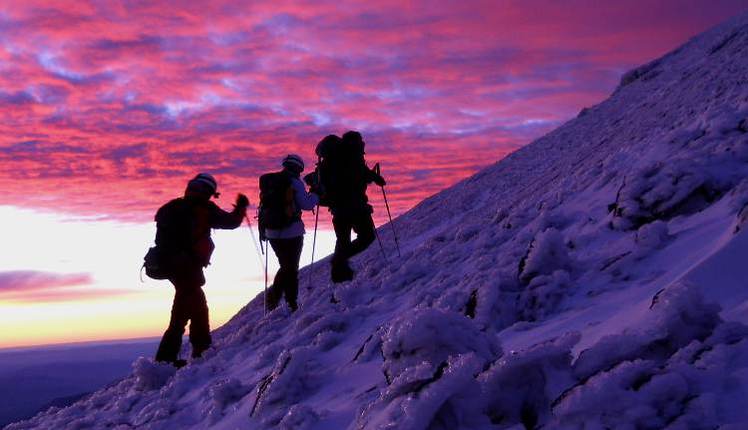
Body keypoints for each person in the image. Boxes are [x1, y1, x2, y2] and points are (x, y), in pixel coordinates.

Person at [154, 173, 248, 367]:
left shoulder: (171, 207)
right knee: (190, 309)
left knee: (189, 307)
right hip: (188, 266)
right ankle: (184, 355)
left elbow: (160, 240)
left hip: (169, 265)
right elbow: (231, 223)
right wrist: (241, 207)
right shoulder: (204, 209)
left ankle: (180, 355)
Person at [315, 131, 385, 283]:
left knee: (343, 240)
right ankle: (339, 264)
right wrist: (375, 178)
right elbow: (359, 175)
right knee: (367, 236)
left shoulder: (332, 159)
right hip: (356, 205)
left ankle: (339, 275)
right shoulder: (352, 156)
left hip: (338, 208)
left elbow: (355, 175)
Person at [260, 154, 319, 312]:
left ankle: (275, 298)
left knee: (286, 265)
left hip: (271, 232)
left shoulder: (270, 182)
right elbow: (306, 204)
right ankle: (291, 303)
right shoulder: (294, 182)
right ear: (299, 168)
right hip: (292, 232)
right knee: (291, 267)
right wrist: (316, 195)